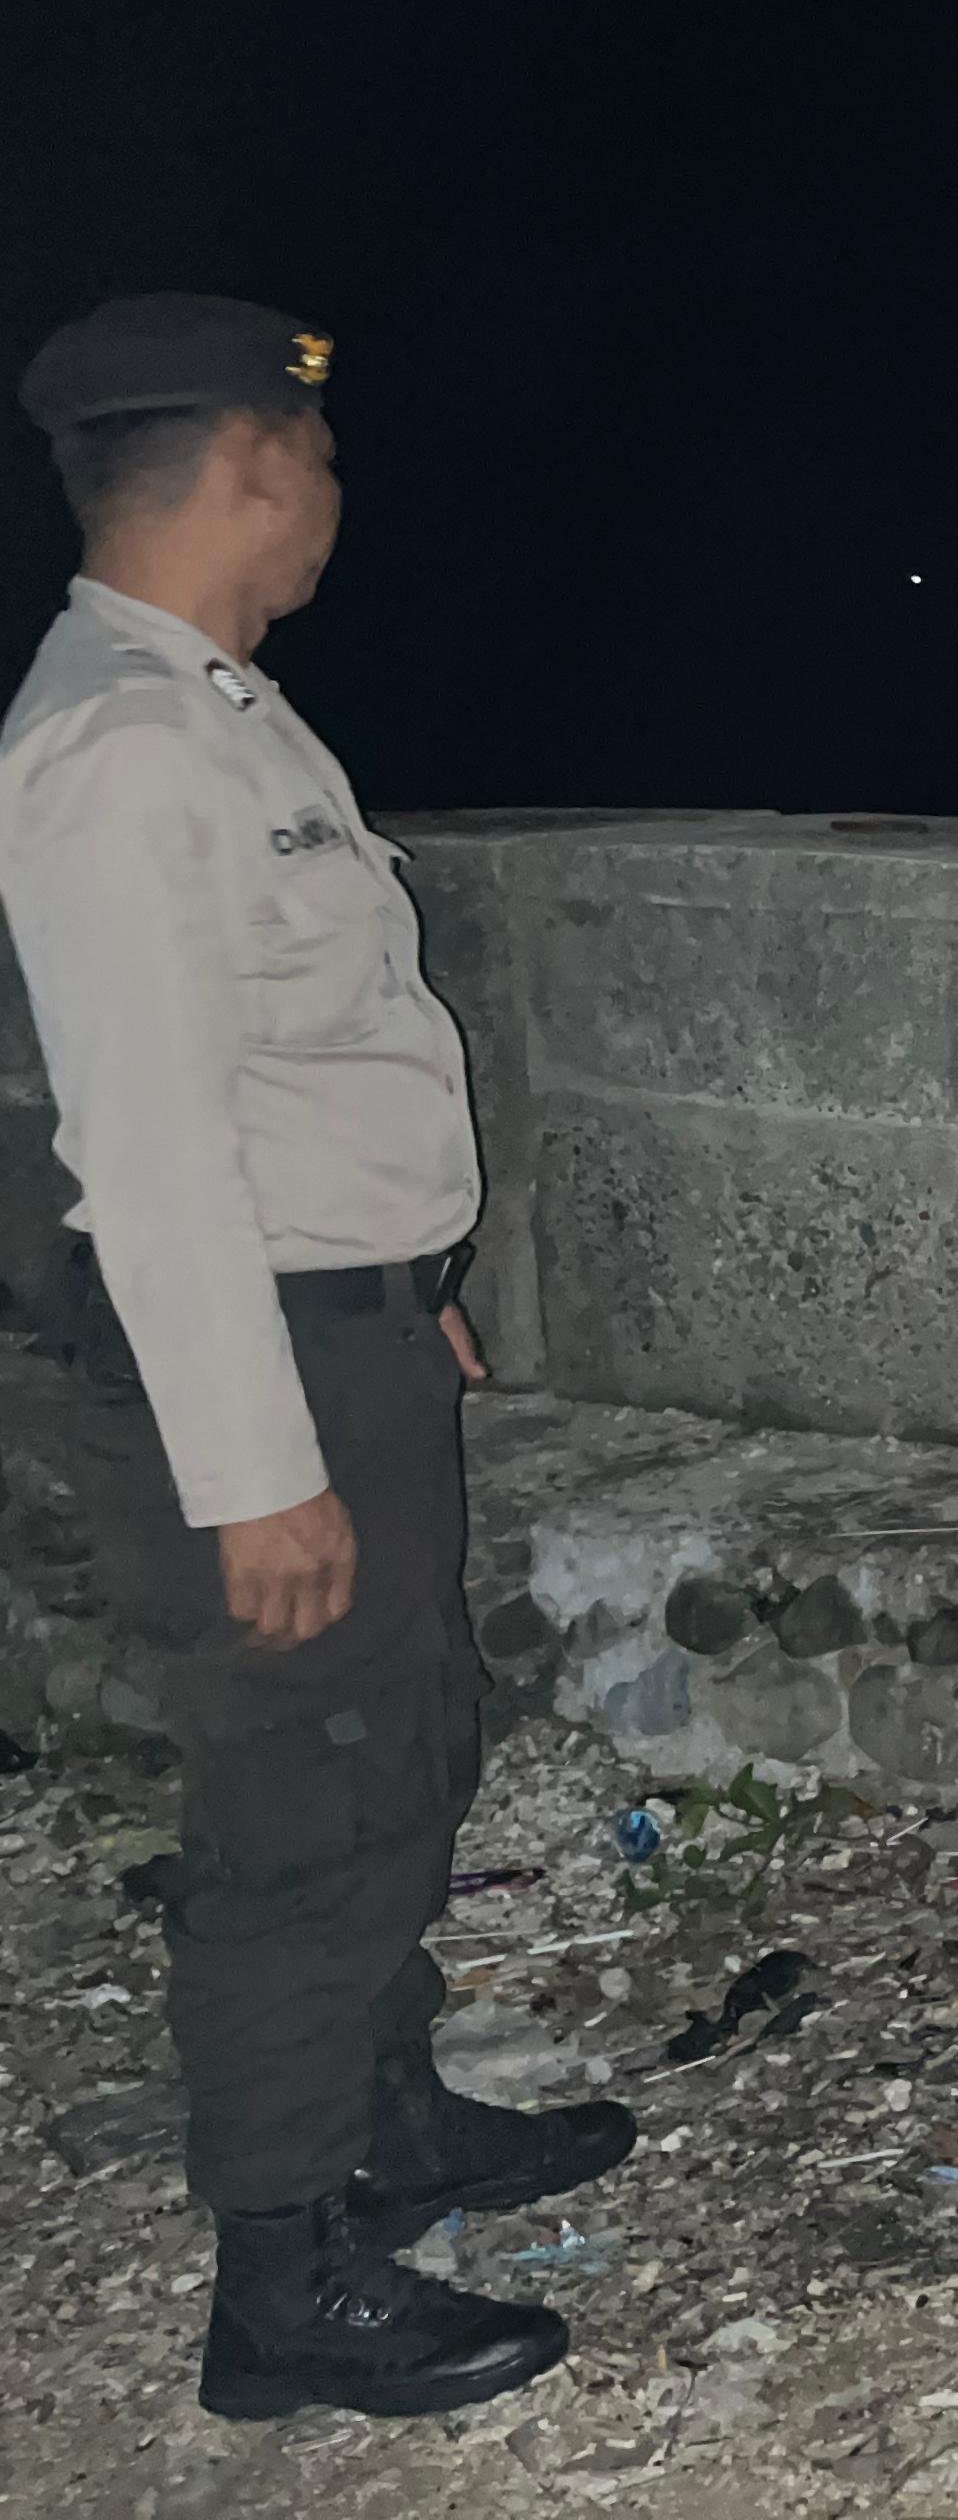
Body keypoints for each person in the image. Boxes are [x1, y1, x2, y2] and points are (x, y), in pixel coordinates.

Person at [0, 296, 633, 2419]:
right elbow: (149, 1140)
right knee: (299, 1809)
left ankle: (388, 2124)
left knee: (402, 1746)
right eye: (323, 458)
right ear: (258, 466)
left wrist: (393, 1282)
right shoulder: (119, 749)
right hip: (248, 1385)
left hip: (336, 1331)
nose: (334, 498)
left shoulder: (220, 712)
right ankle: (282, 2280)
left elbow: (284, 1080)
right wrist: (252, 1458)